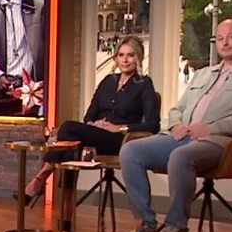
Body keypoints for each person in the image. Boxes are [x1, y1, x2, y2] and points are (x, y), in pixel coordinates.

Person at [117, 19, 232, 232]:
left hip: (220, 142)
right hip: (182, 136)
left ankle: (176, 229)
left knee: (181, 156)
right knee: (131, 151)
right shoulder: (202, 74)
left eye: (231, 37)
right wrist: (176, 124)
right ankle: (146, 224)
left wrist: (210, 128)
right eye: (220, 38)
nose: (225, 43)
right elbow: (177, 108)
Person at [21, 36, 159, 205]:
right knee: (72, 145)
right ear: (115, 57)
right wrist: (93, 124)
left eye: (130, 55)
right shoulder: (108, 81)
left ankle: (41, 179)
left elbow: (153, 124)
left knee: (68, 128)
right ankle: (66, 209)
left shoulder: (144, 84)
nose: (125, 60)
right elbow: (89, 115)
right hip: (97, 136)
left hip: (120, 140)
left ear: (138, 57)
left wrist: (119, 128)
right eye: (121, 55)